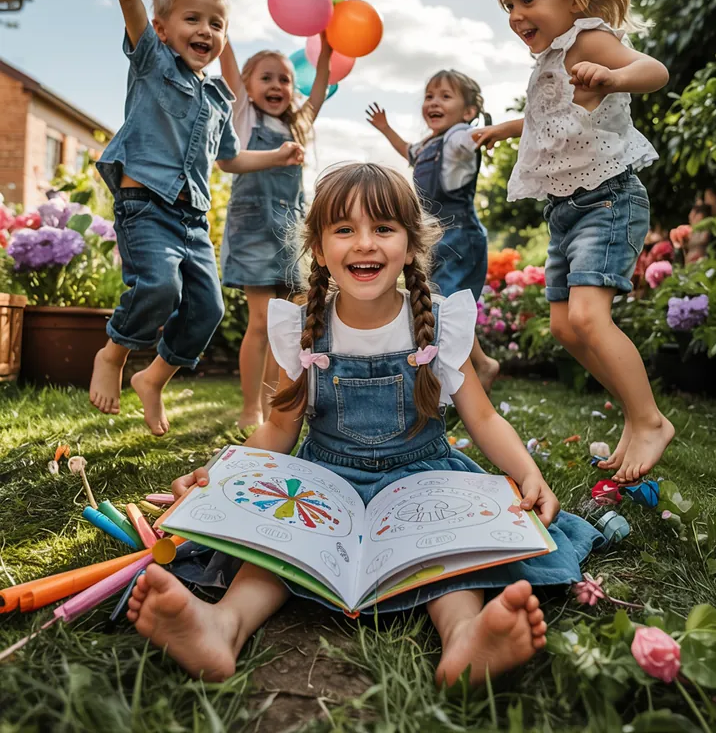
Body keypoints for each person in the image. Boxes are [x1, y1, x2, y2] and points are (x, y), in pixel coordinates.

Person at [127, 163, 602, 686]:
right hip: (320, 483)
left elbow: (482, 416)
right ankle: (223, 626)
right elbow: (279, 427)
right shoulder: (303, 325)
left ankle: (466, 638)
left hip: (422, 479)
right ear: (319, 245)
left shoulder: (439, 323)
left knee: (446, 549)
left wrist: (527, 472)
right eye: (344, 229)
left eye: (383, 228)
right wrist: (220, 474)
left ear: (410, 241)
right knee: (277, 543)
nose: (364, 244)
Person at [90, 0, 303, 436]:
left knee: (206, 310)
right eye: (191, 20)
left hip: (191, 220)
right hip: (146, 208)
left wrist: (278, 155)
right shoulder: (151, 63)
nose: (205, 30)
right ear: (162, 30)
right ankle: (114, 354)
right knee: (161, 288)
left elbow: (229, 162)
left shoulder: (218, 98)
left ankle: (154, 377)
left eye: (215, 23)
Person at [472, 0, 674, 484]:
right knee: (565, 328)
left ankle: (649, 419)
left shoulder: (589, 39)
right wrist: (504, 130)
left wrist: (612, 77)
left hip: (607, 200)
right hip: (564, 210)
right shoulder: (549, 60)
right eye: (509, 4)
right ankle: (636, 415)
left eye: (528, 0)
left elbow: (652, 71)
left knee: (589, 315)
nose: (516, 14)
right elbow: (546, 120)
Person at [209, 0, 332, 430]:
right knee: (261, 323)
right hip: (254, 229)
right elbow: (225, 55)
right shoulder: (245, 117)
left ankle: (278, 403)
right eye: (265, 77)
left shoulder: (295, 125)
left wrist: (325, 53)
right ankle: (250, 408)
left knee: (291, 326)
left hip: (290, 232)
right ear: (248, 86)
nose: (277, 85)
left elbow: (317, 93)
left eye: (284, 78)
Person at [366, 71, 499, 392]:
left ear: (468, 112)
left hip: (459, 236)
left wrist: (496, 130)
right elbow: (407, 152)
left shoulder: (458, 138)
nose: (434, 102)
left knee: (446, 306)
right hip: (434, 238)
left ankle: (472, 371)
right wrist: (386, 129)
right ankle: (469, 367)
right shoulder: (428, 145)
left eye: (445, 96)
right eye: (429, 96)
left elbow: (475, 138)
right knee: (430, 305)